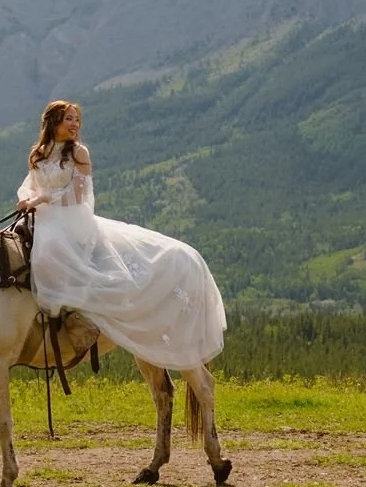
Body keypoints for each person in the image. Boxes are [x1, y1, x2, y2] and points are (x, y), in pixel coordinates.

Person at [15, 100, 226, 370]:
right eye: (69, 119)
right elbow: (29, 184)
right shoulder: (39, 152)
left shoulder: (79, 152)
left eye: (76, 119)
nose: (75, 124)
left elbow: (79, 194)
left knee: (49, 253)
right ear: (53, 122)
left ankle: (74, 320)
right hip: (43, 217)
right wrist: (26, 199)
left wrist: (41, 199)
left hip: (70, 219)